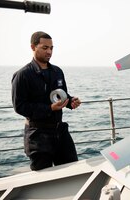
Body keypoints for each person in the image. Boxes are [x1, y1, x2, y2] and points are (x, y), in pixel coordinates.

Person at [11, 31, 81, 171]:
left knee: (72, 170)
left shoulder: (57, 71)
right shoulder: (22, 75)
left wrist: (71, 102)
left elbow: (62, 95)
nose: (49, 51)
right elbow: (20, 106)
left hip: (60, 132)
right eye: (45, 48)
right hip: (38, 136)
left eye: (51, 48)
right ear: (33, 47)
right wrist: (49, 108)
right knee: (43, 178)